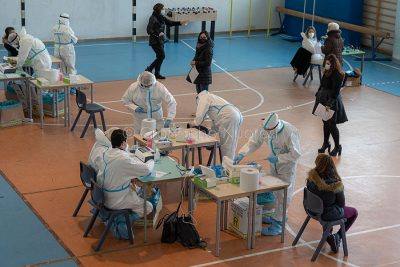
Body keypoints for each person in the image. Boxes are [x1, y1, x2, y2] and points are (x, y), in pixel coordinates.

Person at [234, 113, 301, 235]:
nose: (267, 133)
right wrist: (241, 153)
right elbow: (253, 142)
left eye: (270, 131)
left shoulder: (290, 132)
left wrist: (279, 158)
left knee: (284, 196)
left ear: (275, 127)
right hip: (274, 166)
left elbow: (295, 154)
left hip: (286, 168)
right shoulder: (264, 127)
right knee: (276, 193)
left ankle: (278, 225)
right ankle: (277, 216)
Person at [96, 129, 154, 218]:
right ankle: (123, 220)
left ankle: (126, 212)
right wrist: (151, 160)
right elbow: (146, 170)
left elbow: (123, 158)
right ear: (123, 142)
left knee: (137, 189)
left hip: (102, 195)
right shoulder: (123, 159)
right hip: (116, 200)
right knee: (148, 207)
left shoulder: (106, 152)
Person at [306, 154, 358, 253]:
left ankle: (328, 235)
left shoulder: (311, 178)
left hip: (312, 209)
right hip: (325, 214)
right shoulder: (335, 183)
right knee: (354, 212)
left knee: (325, 206)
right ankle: (337, 236)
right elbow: (341, 204)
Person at [190, 91, 242, 160]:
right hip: (236, 114)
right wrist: (210, 135)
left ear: (197, 99)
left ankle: (228, 167)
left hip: (229, 116)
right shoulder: (213, 99)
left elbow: (200, 116)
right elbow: (216, 122)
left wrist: (193, 123)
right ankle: (228, 165)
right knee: (231, 144)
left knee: (227, 145)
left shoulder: (203, 98)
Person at [313, 54, 347, 156]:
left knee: (332, 124)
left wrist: (329, 104)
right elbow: (322, 84)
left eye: (328, 63)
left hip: (332, 101)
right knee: (325, 122)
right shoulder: (327, 72)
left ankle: (337, 146)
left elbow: (336, 92)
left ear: (333, 64)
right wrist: (318, 93)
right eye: (326, 63)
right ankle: (326, 143)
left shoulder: (338, 75)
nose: (326, 65)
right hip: (323, 98)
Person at [145, 3, 186, 79]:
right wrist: (158, 35)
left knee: (159, 57)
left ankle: (157, 73)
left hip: (160, 41)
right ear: (159, 9)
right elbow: (149, 30)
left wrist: (180, 23)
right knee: (162, 56)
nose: (164, 10)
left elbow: (170, 23)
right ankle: (149, 69)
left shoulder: (161, 17)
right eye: (163, 9)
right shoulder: (153, 18)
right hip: (154, 41)